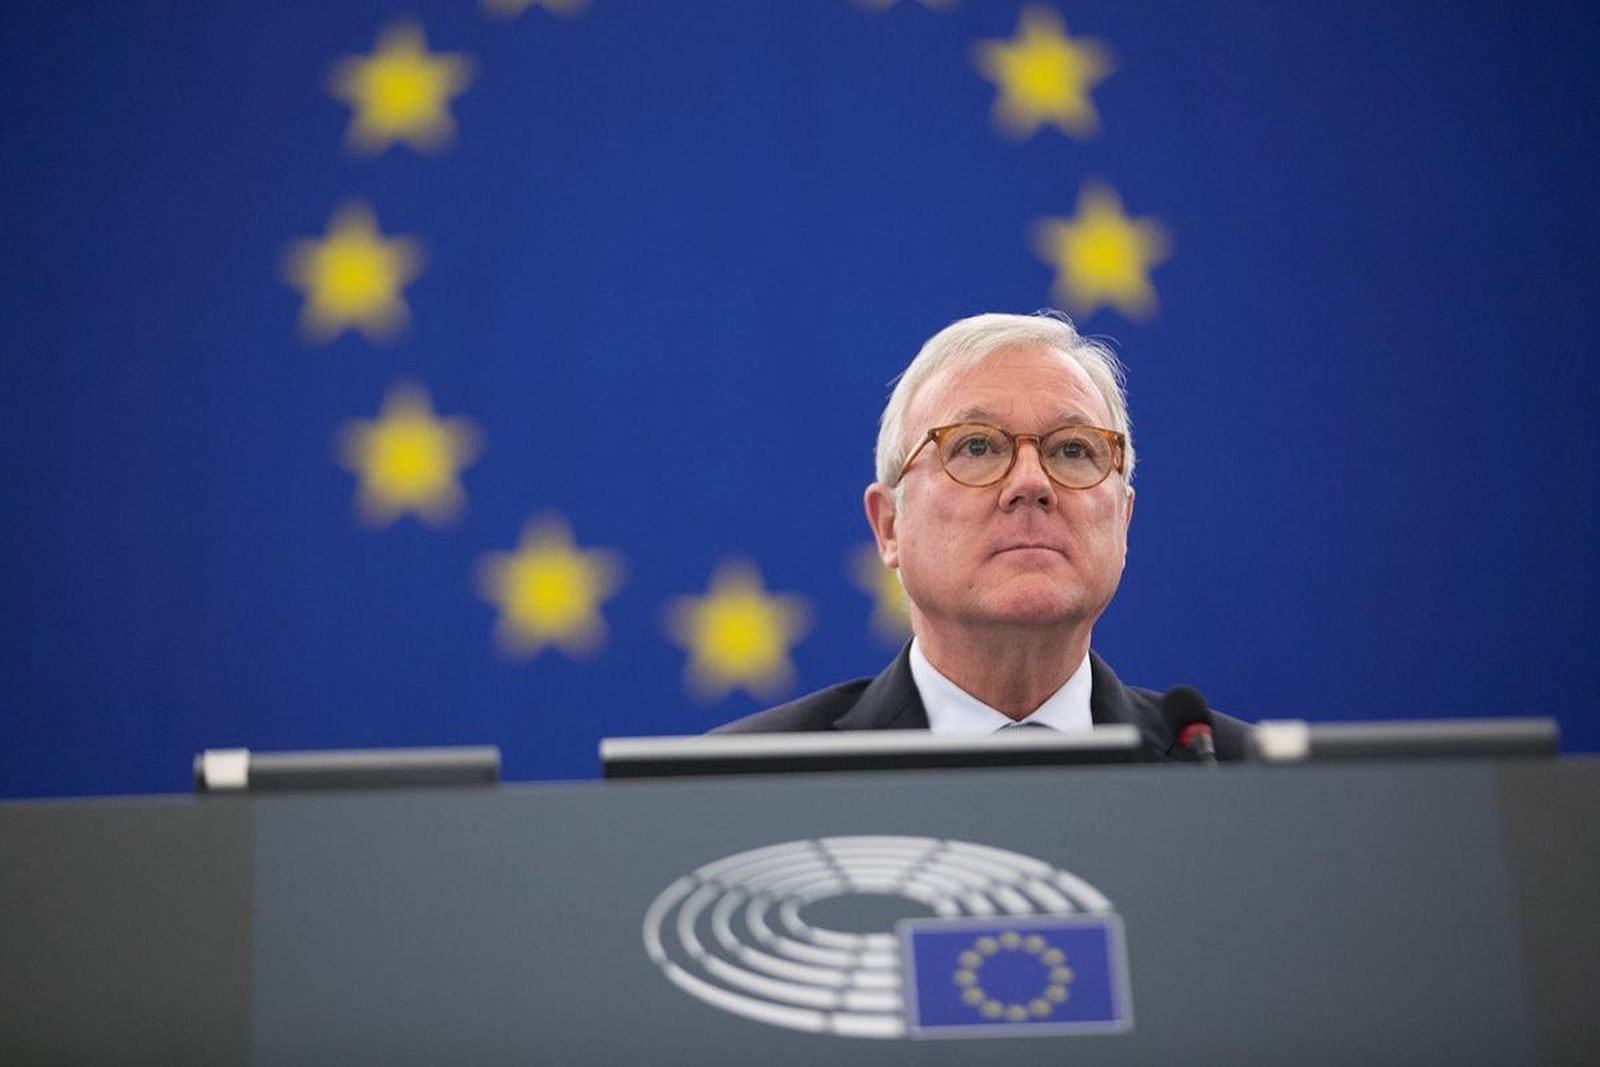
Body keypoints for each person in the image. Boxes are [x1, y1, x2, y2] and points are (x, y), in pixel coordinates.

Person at [714, 311, 1250, 760]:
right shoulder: (748, 784)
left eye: (1073, 449)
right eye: (975, 446)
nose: (1032, 483)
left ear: (1123, 521)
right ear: (889, 525)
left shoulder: (1240, 784)